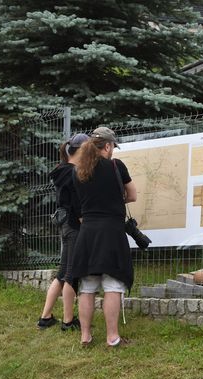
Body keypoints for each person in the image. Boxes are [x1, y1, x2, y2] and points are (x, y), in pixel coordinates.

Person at [70, 126, 137, 347]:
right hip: (111, 232)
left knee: (87, 287)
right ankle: (112, 337)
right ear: (107, 146)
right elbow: (132, 195)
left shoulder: (78, 171)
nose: (113, 151)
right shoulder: (116, 166)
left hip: (88, 232)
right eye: (113, 147)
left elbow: (79, 204)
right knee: (113, 285)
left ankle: (85, 336)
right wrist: (115, 200)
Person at [37, 134, 89, 330]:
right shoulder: (73, 172)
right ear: (80, 150)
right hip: (74, 225)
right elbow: (77, 204)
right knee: (71, 275)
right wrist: (85, 224)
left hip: (64, 224)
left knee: (62, 274)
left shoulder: (62, 170)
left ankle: (45, 317)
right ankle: (68, 321)